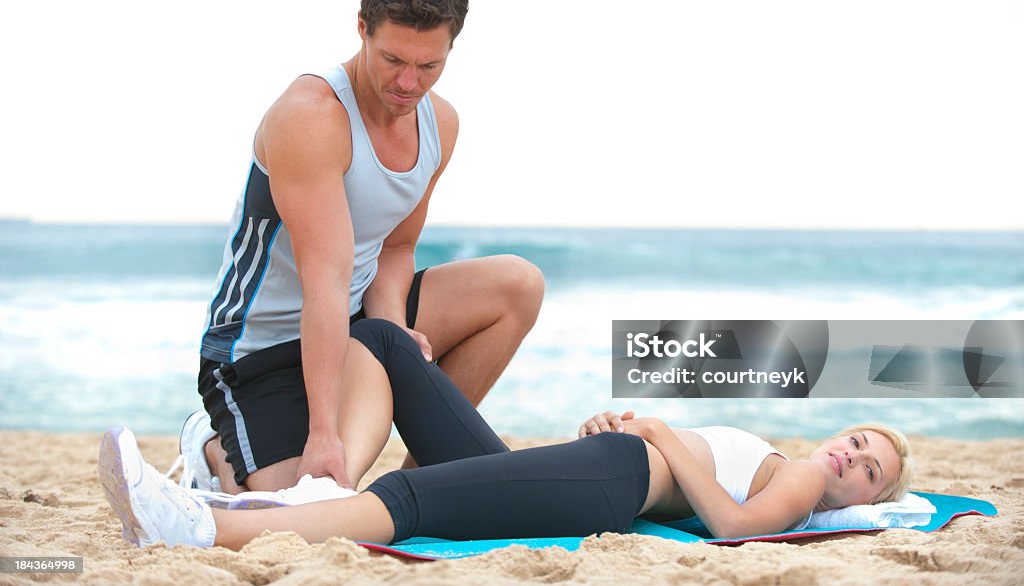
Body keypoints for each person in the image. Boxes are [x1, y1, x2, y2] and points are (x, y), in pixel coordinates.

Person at [184, 0, 544, 497]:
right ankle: (212, 448)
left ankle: (420, 478)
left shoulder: (439, 123)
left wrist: (394, 332)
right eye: (393, 59)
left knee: (517, 284)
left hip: (355, 323)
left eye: (429, 66)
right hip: (260, 349)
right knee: (303, 502)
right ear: (362, 29)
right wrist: (324, 433)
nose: (408, 82)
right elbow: (324, 278)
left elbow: (396, 249)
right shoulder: (311, 116)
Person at [100, 319, 914, 550]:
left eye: (871, 469)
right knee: (383, 340)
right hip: (605, 470)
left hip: (611, 482)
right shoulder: (786, 463)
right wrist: (632, 431)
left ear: (868, 495)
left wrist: (660, 430)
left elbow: (734, 526)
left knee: (410, 496)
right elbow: (706, 503)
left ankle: (207, 526)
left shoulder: (804, 482)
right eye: (857, 438)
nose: (852, 454)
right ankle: (303, 485)